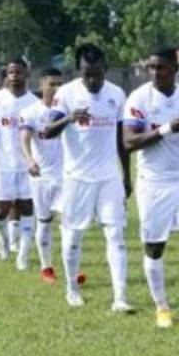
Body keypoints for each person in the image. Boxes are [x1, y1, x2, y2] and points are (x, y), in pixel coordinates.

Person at [123, 48, 179, 331]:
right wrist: (167, 129)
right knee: (154, 247)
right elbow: (129, 143)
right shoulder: (139, 98)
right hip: (152, 182)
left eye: (160, 67)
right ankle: (162, 308)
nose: (154, 73)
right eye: (150, 68)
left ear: (175, 68)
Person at [42, 43, 133, 311]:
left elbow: (121, 141)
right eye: (87, 74)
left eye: (97, 74)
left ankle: (120, 297)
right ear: (78, 71)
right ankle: (72, 289)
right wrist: (69, 118)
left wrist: (126, 176)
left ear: (106, 69)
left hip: (108, 177)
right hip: (76, 178)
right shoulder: (66, 94)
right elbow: (47, 131)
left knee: (116, 234)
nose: (93, 80)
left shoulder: (117, 94)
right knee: (74, 237)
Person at [20, 67, 79, 284]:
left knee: (69, 222)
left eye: (59, 84)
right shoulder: (31, 112)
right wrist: (29, 160)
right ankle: (46, 267)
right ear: (41, 85)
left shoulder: (69, 112)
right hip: (42, 176)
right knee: (44, 221)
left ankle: (71, 268)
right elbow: (25, 138)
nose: (56, 88)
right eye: (52, 84)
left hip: (67, 176)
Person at [0, 59, 38, 269]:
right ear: (7, 75)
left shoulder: (34, 102)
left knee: (27, 206)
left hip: (27, 164)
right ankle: (4, 241)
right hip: (1, 163)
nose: (15, 76)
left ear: (27, 74)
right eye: (11, 73)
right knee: (1, 210)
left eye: (19, 72)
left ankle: (23, 255)